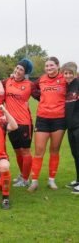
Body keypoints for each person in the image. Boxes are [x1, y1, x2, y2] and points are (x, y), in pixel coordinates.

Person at [28, 57, 67, 192]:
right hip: (43, 118)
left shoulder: (64, 78)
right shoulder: (42, 79)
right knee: (39, 150)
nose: (49, 68)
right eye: (47, 66)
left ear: (58, 65)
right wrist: (40, 97)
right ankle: (34, 181)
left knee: (54, 150)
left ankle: (51, 180)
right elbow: (32, 87)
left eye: (51, 65)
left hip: (59, 119)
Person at [3, 59, 37, 187]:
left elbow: (41, 96)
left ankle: (25, 179)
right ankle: (23, 174)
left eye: (21, 70)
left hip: (24, 123)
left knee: (25, 151)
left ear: (25, 73)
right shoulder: (8, 81)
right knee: (17, 151)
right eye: (17, 68)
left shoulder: (29, 85)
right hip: (11, 124)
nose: (17, 71)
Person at [60, 62, 79, 194]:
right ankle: (78, 180)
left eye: (70, 73)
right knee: (75, 154)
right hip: (70, 126)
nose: (67, 75)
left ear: (75, 73)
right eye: (65, 73)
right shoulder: (66, 87)